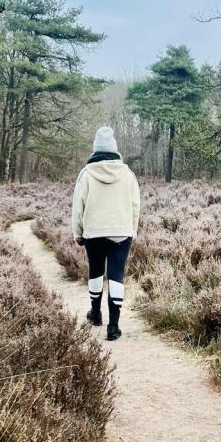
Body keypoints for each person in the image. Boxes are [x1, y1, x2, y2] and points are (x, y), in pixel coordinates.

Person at [72, 126, 140, 341]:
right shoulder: (128, 174)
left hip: (94, 232)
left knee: (95, 272)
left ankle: (95, 314)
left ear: (95, 149)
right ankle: (113, 326)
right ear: (114, 149)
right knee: (116, 275)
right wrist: (132, 230)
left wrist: (78, 233)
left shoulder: (86, 174)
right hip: (121, 232)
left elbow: (78, 207)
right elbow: (135, 205)